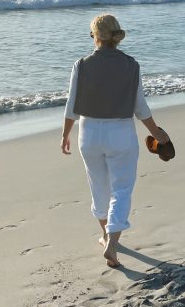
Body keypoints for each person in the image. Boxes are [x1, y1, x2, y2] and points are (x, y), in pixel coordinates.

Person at [61, 14, 169, 268]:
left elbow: (71, 105)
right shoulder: (131, 65)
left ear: (95, 37)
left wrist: (65, 134)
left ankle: (105, 236)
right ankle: (112, 243)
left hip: (88, 133)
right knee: (121, 189)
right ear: (116, 37)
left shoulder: (82, 64)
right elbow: (140, 107)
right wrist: (156, 132)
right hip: (120, 132)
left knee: (98, 186)